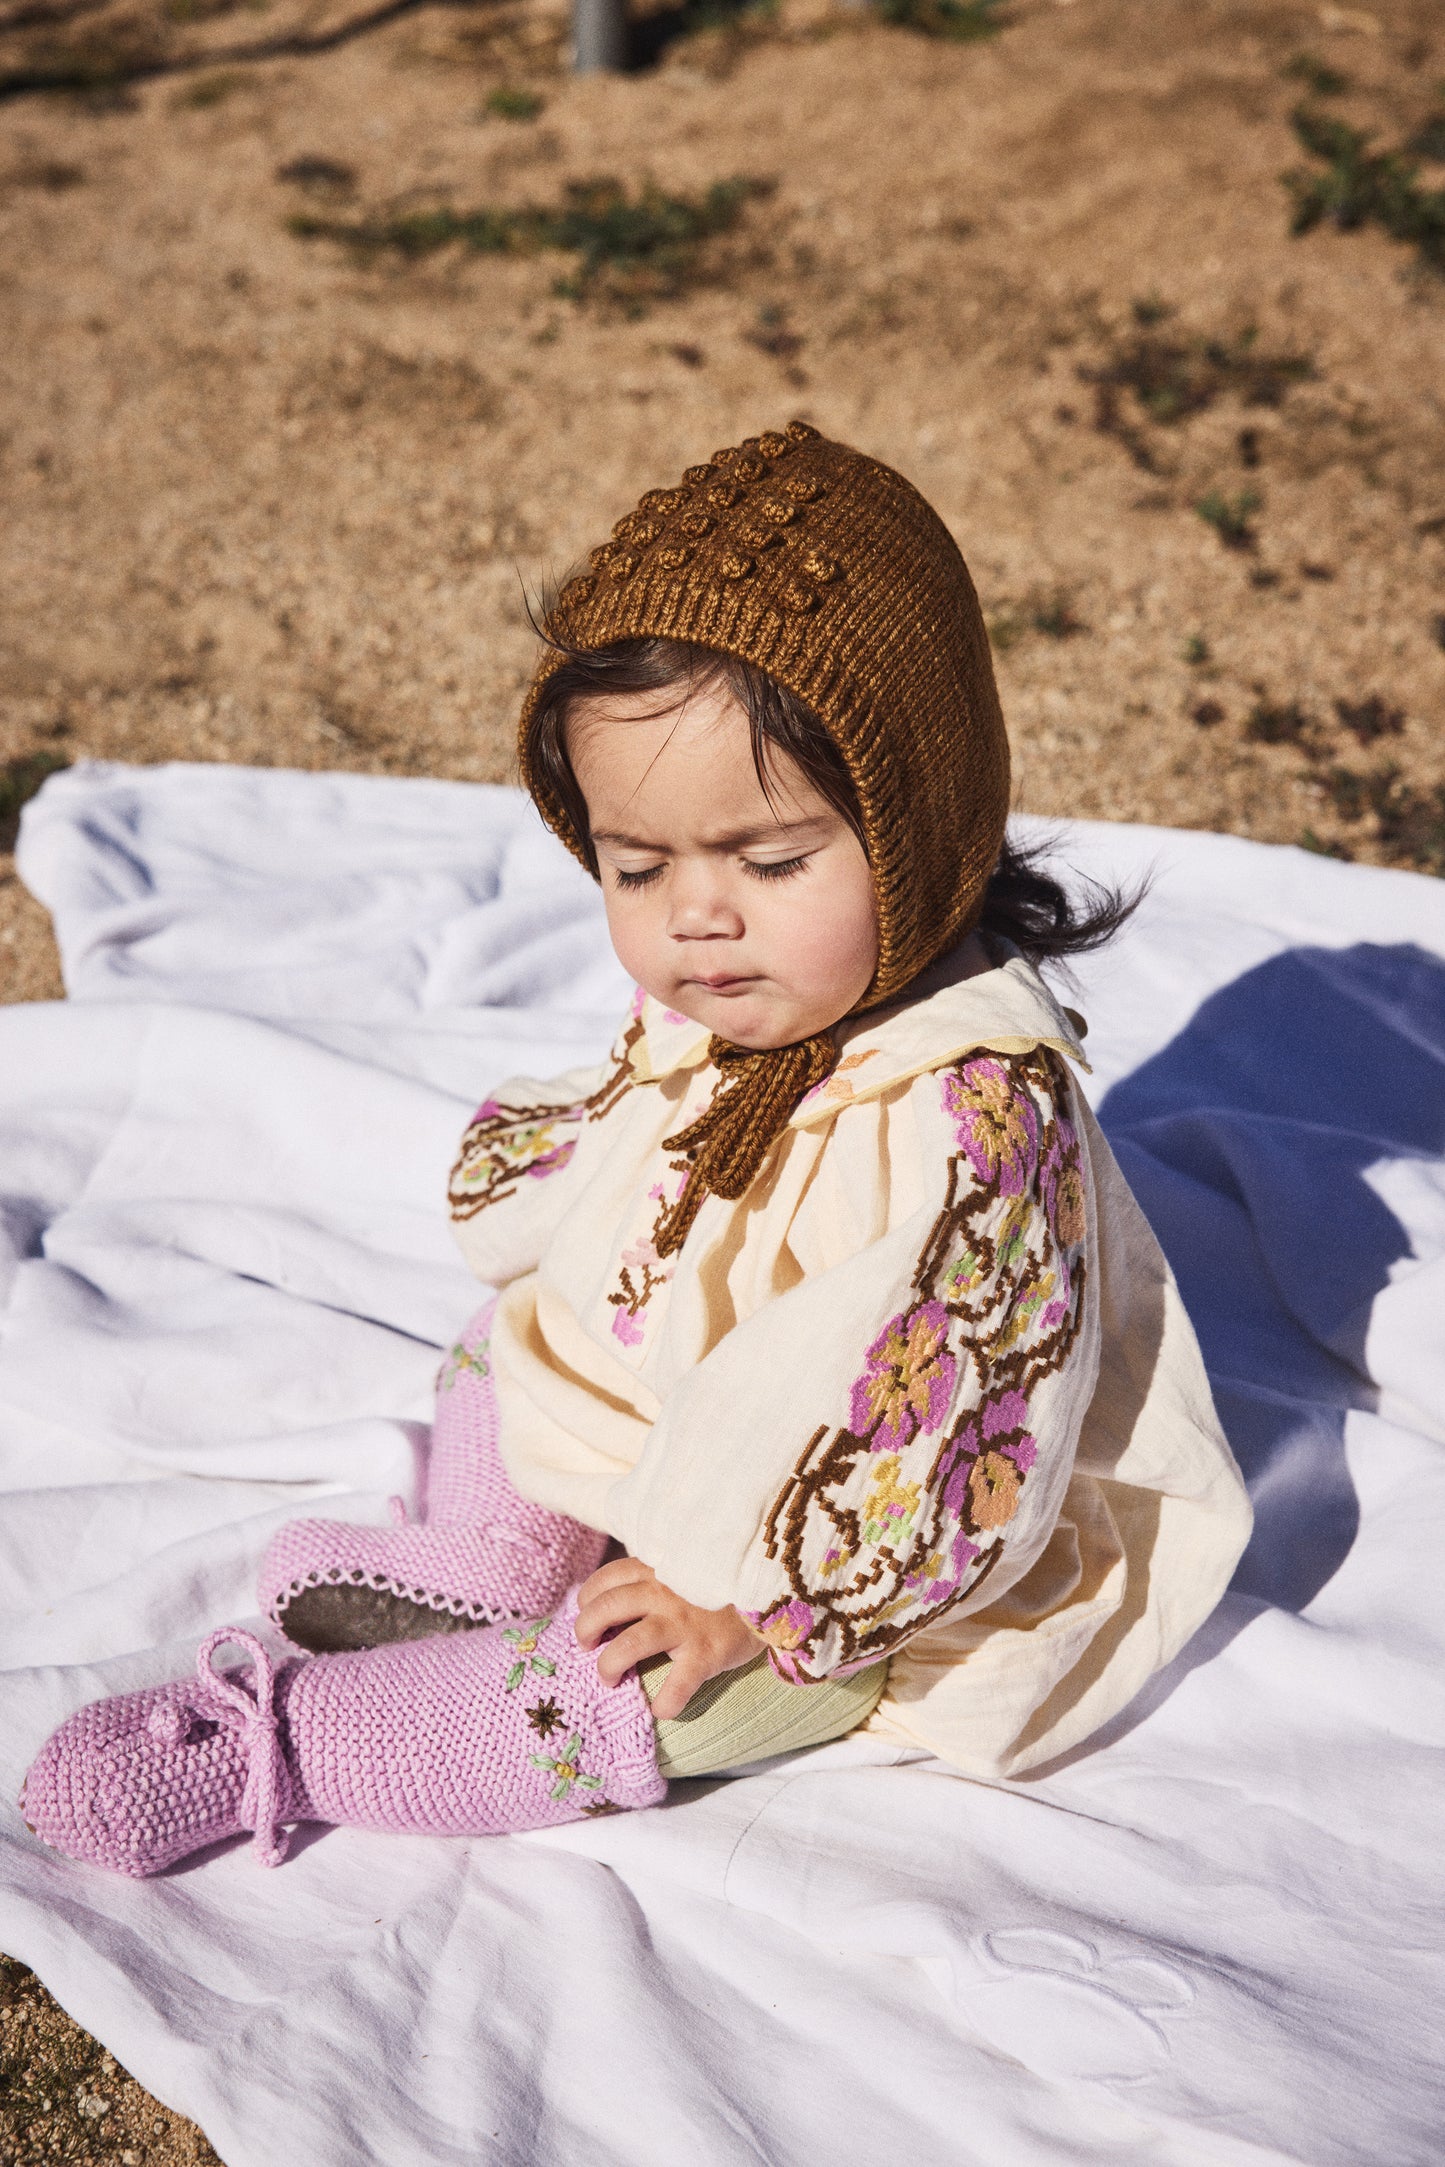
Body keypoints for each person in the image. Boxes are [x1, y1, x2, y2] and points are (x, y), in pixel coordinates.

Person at [21, 421, 1252, 1878]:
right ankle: (496, 1560)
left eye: (769, 860)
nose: (695, 919)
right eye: (636, 865)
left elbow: (954, 1436)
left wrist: (740, 1604)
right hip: (679, 1395)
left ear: (926, 828)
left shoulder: (978, 1116)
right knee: (520, 1324)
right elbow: (614, 1141)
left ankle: (289, 1740)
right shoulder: (733, 993)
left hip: (852, 1568)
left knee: (657, 1698)